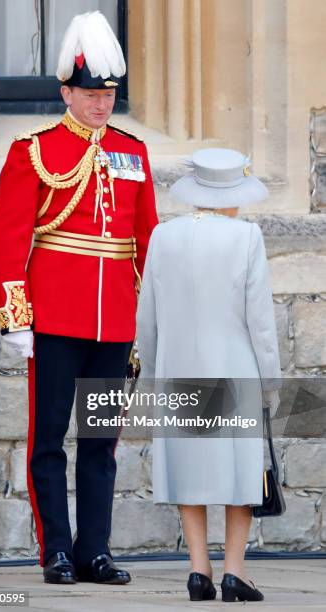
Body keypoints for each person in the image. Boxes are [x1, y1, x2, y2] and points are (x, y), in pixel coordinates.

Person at [0, 11, 158, 585]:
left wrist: (148, 319)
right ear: (66, 92)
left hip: (114, 324)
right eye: (91, 93)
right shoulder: (33, 150)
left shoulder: (133, 153)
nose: (101, 104)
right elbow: (9, 234)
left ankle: (95, 550)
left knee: (100, 445)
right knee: (48, 443)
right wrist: (15, 316)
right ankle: (56, 550)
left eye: (108, 94)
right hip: (55, 318)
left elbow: (146, 241)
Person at [136, 148, 281, 602]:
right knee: (241, 474)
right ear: (233, 193)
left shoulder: (163, 236)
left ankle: (199, 570)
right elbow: (260, 322)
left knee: (189, 469)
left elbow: (148, 320)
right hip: (234, 368)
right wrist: (270, 382)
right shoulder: (246, 237)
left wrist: (153, 377)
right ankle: (235, 571)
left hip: (178, 369)